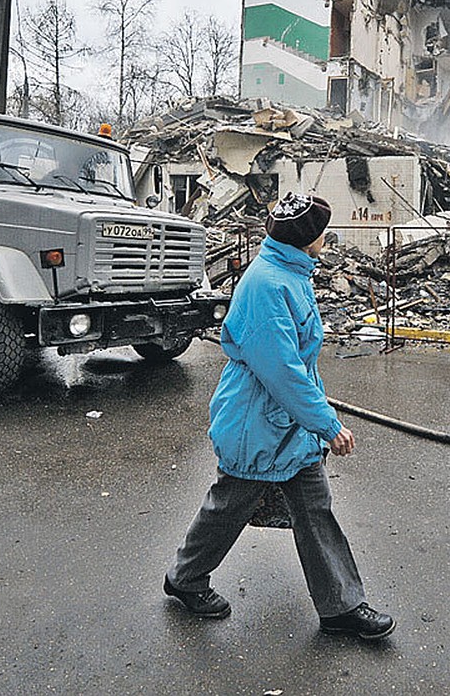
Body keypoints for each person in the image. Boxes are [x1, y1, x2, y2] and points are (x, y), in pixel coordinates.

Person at [164, 192, 395, 641]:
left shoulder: (291, 271)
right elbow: (282, 371)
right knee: (228, 506)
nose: (328, 238)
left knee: (315, 510)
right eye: (323, 231)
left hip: (286, 424)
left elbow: (296, 365)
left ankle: (341, 606)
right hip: (258, 423)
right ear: (307, 238)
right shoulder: (268, 284)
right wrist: (327, 423)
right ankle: (185, 579)